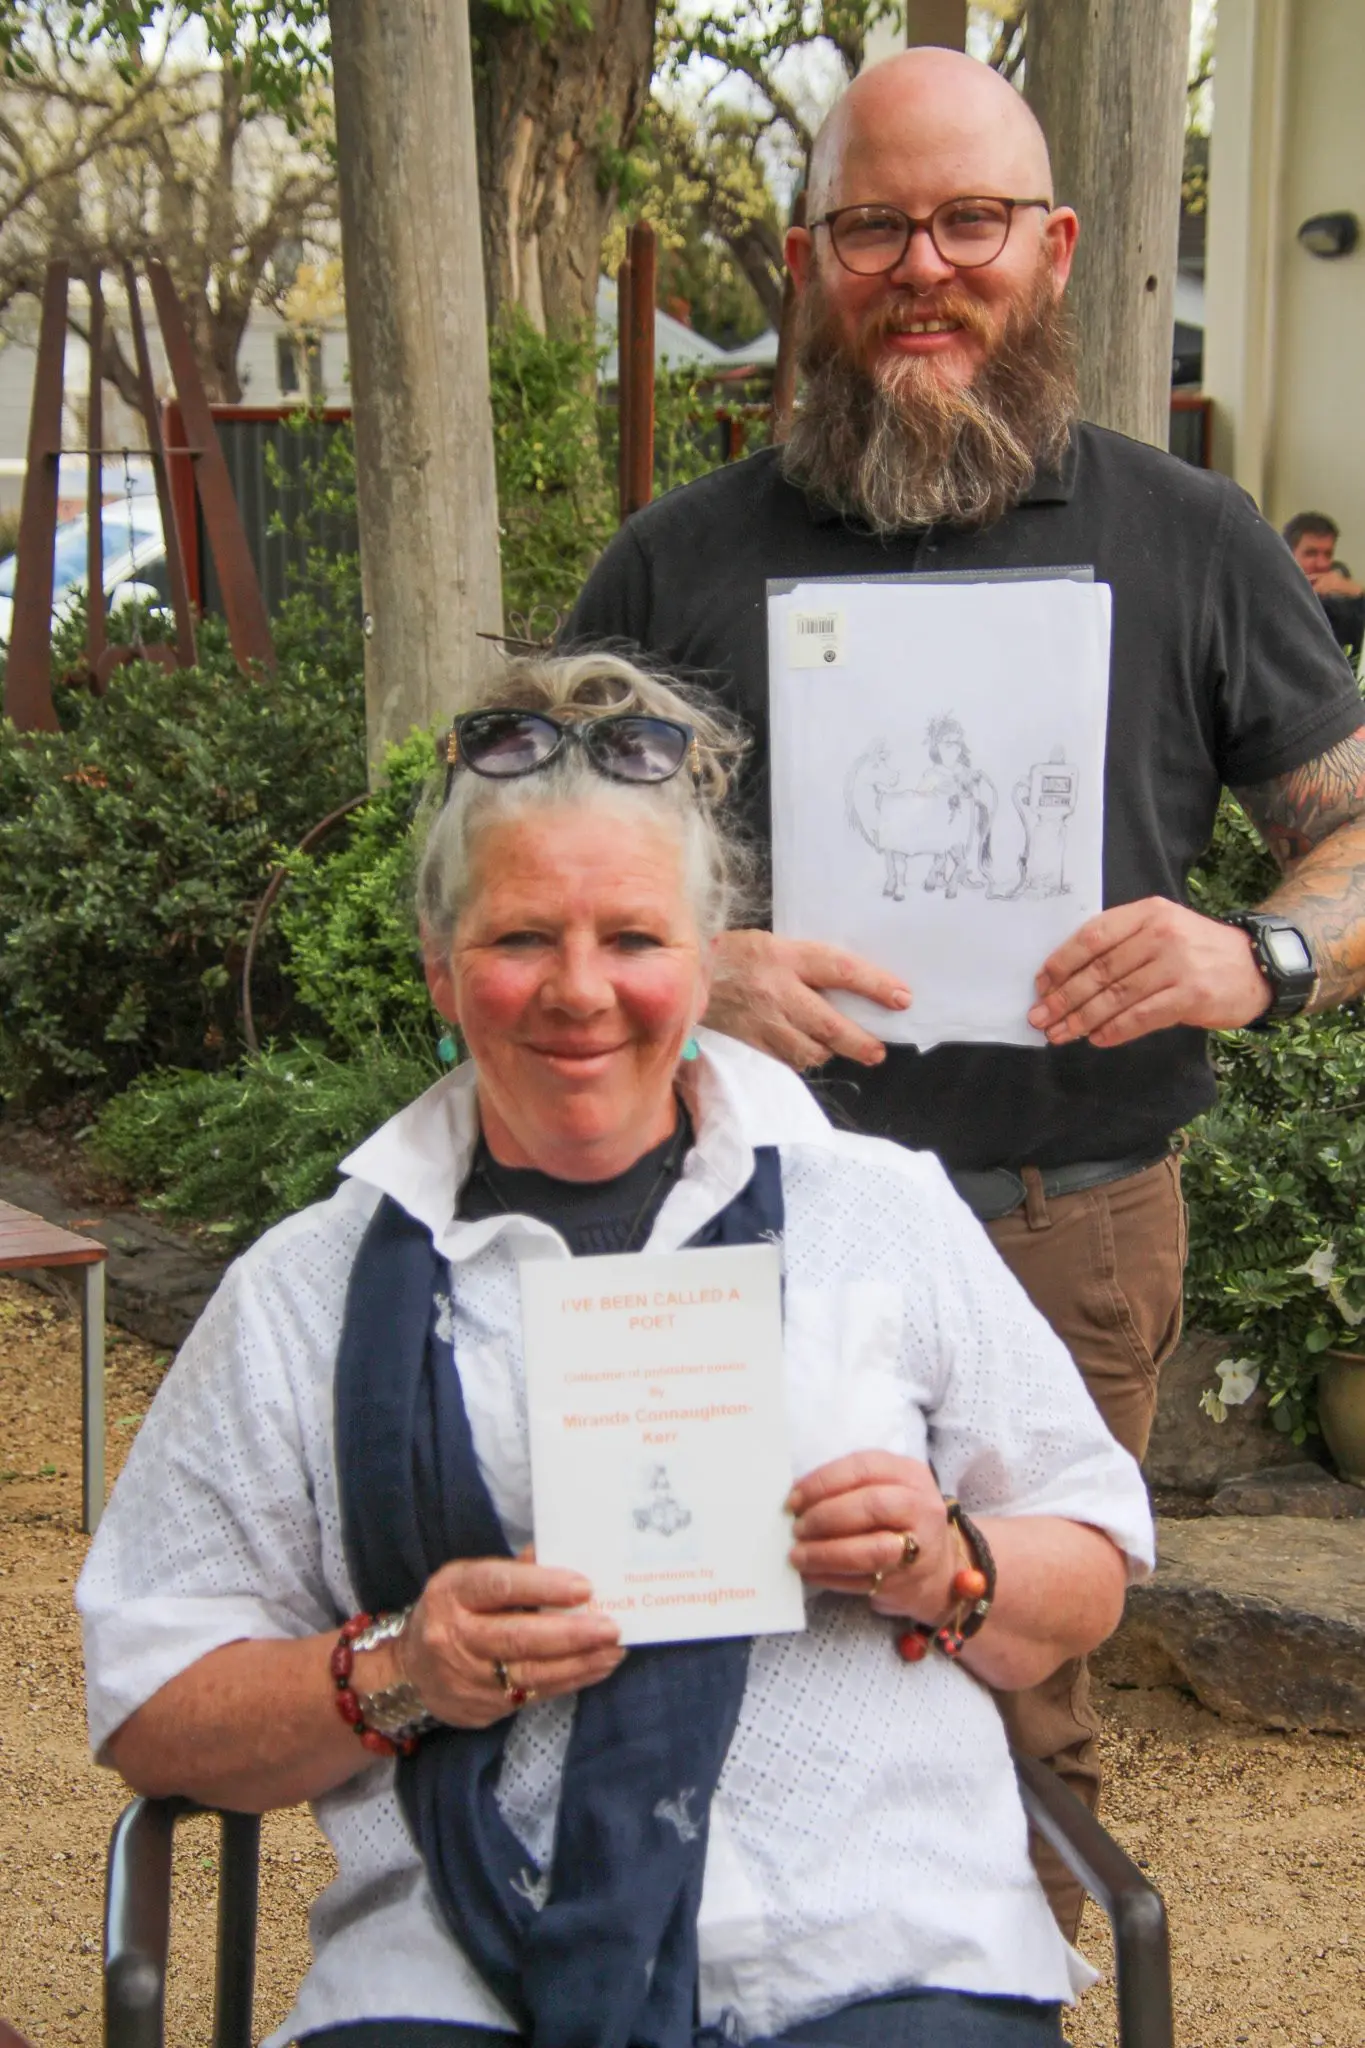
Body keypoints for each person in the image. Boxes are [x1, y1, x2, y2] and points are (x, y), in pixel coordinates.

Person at [564, 46, 1365, 1922]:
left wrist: (1254, 950)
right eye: (873, 226)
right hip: (717, 1223)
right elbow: (527, 894)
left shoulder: (1194, 538)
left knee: (1014, 1699)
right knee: (680, 1671)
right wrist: (687, 965)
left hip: (1059, 1232)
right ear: (804, 255)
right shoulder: (681, 561)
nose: (923, 265)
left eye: (969, 223)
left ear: (1056, 246)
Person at [79, 655, 1153, 2048]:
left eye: (634, 941)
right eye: (523, 938)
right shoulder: (308, 1290)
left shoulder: (879, 1215)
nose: (580, 991)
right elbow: (156, 1706)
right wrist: (400, 1665)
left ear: (709, 964)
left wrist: (952, 1561)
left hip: (877, 1943)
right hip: (462, 1969)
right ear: (440, 968)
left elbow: (1083, 1563)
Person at [1282, 511, 1365, 664]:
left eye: (1328, 554)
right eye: (1311, 553)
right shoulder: (1270, 594)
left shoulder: (1338, 600)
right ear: (1287, 554)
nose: (1322, 564)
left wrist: (1358, 592)